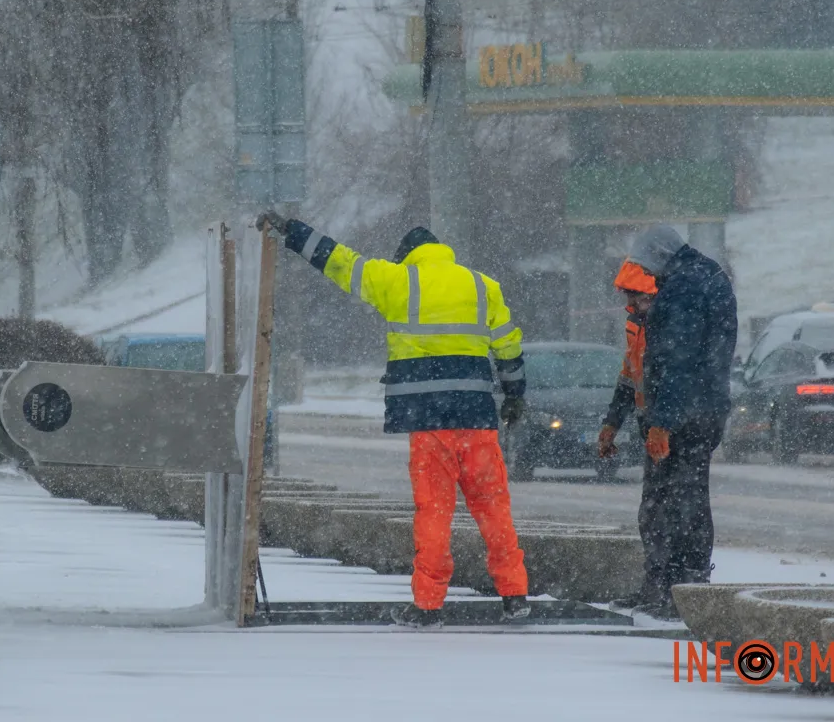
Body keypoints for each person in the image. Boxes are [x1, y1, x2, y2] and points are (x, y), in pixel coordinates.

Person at [256, 211, 530, 629]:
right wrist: (514, 394)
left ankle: (428, 607)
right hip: (477, 417)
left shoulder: (399, 280)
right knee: (494, 507)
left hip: (428, 420)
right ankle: (515, 596)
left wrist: (295, 232)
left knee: (434, 512)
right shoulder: (481, 284)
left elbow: (340, 262)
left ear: (407, 258)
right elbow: (509, 343)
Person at [624, 224, 737, 620]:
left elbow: (678, 362)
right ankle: (680, 587)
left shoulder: (683, 288)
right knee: (685, 498)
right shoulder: (708, 276)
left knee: (669, 502)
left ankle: (672, 589)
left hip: (685, 414)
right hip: (705, 409)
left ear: (658, 254)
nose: (647, 276)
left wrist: (663, 422)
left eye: (647, 265)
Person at [595, 259, 659, 612]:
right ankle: (655, 586)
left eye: (636, 297)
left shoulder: (666, 326)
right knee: (651, 511)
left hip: (666, 428)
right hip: (648, 425)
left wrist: (664, 424)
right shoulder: (636, 324)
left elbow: (670, 380)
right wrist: (612, 423)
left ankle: (668, 587)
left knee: (665, 510)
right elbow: (628, 377)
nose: (631, 305)